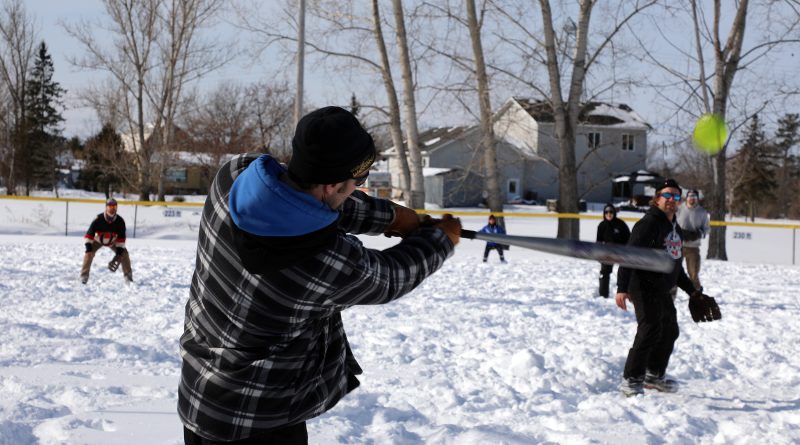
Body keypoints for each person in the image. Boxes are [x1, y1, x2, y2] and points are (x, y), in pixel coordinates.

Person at [178, 106, 462, 444]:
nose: (358, 189)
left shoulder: (235, 175)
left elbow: (303, 203)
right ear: (332, 184)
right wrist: (441, 239)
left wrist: (392, 217)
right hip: (259, 421)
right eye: (357, 183)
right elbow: (389, 278)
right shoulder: (322, 261)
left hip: (199, 396)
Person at [615, 179, 721, 397]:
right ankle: (631, 380)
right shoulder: (649, 224)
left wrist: (693, 291)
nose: (671, 200)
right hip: (642, 285)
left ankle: (654, 375)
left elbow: (676, 267)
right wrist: (622, 287)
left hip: (661, 288)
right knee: (650, 329)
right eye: (667, 196)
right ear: (657, 198)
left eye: (675, 197)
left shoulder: (675, 229)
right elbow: (628, 255)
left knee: (670, 330)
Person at [81, 198, 132, 284]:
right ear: (106, 207)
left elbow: (121, 239)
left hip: (113, 241)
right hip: (98, 240)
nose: (112, 208)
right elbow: (89, 235)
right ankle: (84, 275)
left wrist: (119, 252)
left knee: (124, 254)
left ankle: (128, 276)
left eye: (114, 206)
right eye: (110, 206)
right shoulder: (98, 219)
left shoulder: (120, 221)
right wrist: (89, 247)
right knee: (88, 254)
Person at [676, 189, 710, 290]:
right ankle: (670, 296)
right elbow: (671, 223)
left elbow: (707, 229)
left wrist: (698, 234)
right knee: (673, 272)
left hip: (693, 247)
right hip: (677, 246)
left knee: (693, 274)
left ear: (697, 199)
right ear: (687, 198)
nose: (692, 199)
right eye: (690, 197)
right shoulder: (678, 209)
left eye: (694, 197)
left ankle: (697, 295)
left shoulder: (702, 212)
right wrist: (679, 232)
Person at [595, 204, 630, 298]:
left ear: (614, 213)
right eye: (606, 212)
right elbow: (598, 242)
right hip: (607, 252)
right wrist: (598, 254)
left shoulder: (620, 224)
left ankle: (626, 294)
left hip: (621, 252)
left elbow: (629, 239)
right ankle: (603, 295)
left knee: (625, 273)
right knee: (604, 273)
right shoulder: (602, 225)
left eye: (611, 212)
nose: (609, 214)